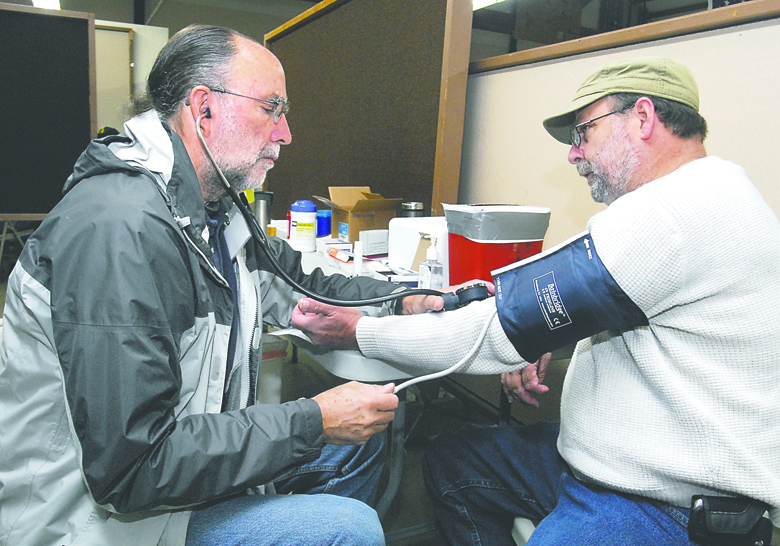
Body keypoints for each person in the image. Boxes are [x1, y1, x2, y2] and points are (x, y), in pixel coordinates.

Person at [291, 57, 780, 545]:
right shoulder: (715, 192)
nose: (573, 154)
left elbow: (493, 334)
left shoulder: (671, 216)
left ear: (643, 118)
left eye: (583, 133)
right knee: (454, 461)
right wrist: (546, 332)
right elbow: (627, 306)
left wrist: (358, 331)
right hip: (614, 465)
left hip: (661, 503)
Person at [0, 25, 445, 546]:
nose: (285, 134)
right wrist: (313, 421)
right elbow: (133, 468)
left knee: (361, 442)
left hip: (171, 482)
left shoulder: (211, 214)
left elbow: (304, 281)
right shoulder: (119, 231)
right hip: (96, 521)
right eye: (271, 109)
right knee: (347, 527)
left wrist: (406, 300)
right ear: (203, 108)